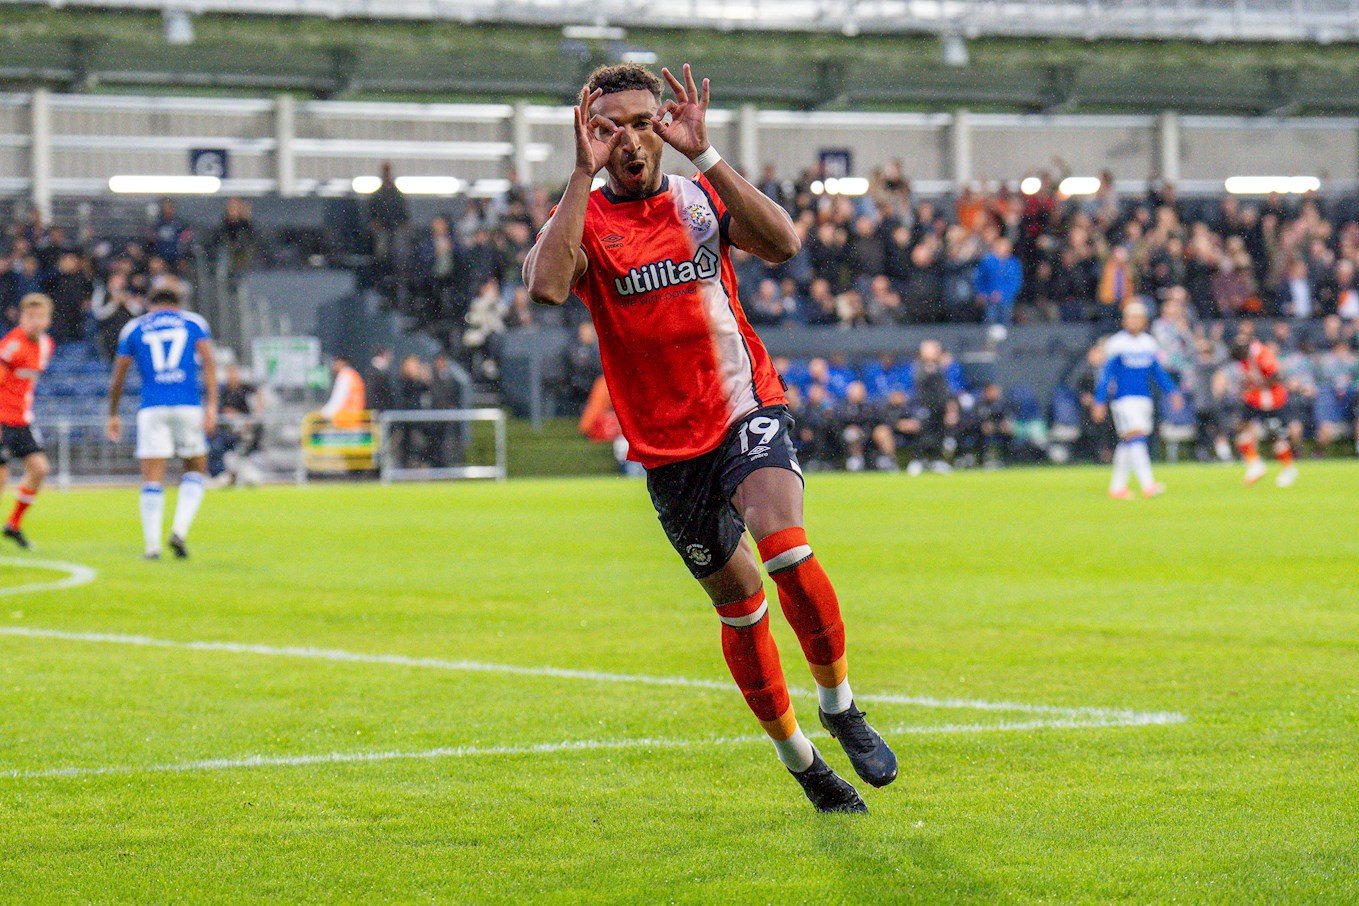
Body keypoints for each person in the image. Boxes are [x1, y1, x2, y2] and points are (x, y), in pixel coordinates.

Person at [523, 62, 895, 814]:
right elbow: (545, 286)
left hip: (741, 406)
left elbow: (784, 243)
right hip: (667, 450)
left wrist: (707, 154)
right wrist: (576, 175)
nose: (628, 139)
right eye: (609, 126)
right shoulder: (585, 220)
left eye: (640, 121)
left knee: (783, 541)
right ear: (590, 135)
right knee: (740, 607)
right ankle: (802, 762)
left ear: (664, 124)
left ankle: (840, 705)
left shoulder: (698, 197)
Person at [105, 284, 218, 559]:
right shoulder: (193, 322)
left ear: (150, 304)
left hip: (151, 407)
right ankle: (179, 531)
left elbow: (119, 374)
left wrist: (113, 413)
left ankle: (152, 547)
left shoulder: (134, 327)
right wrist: (212, 405)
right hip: (187, 404)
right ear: (177, 303)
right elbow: (209, 362)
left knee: (152, 477)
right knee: (194, 469)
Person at [1092, 301, 1183, 499]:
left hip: (1144, 399)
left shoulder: (1148, 343)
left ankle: (1117, 487)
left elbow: (1158, 373)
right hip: (1124, 400)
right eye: (1130, 317)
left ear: (1143, 321)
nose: (1133, 321)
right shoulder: (1117, 344)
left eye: (1137, 318)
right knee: (1136, 436)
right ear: (1124, 321)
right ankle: (1148, 484)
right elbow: (1106, 375)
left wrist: (1173, 391)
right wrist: (1099, 400)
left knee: (1128, 442)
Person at [0, 294, 55, 549]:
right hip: (2, 419)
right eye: (29, 316)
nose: (33, 322)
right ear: (21, 317)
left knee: (40, 469)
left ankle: (13, 524)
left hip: (22, 420)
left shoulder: (47, 345)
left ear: (48, 320)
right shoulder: (11, 346)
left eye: (39, 317)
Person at [1230, 332, 1298, 488]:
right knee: (1240, 428)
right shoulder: (1245, 356)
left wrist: (1256, 386)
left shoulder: (1262, 354)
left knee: (1276, 435)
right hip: (1255, 397)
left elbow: (1275, 376)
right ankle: (1255, 465)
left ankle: (1288, 468)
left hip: (1272, 399)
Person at [321, 354, 366, 428]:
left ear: (342, 362)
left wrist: (324, 414)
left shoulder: (344, 376)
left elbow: (338, 399)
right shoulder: (353, 375)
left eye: (335, 362)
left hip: (345, 420)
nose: (333, 366)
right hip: (356, 419)